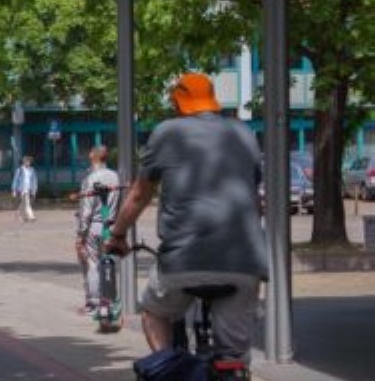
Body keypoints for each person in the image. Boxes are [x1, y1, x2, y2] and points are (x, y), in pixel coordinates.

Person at [104, 72, 268, 360]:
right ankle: (235, 378)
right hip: (244, 261)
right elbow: (255, 200)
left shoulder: (167, 132)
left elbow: (140, 195)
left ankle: (167, 369)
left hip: (184, 259)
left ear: (178, 103)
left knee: (154, 312)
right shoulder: (243, 132)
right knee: (234, 353)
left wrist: (117, 235)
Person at [75, 145, 120, 314]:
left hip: (94, 226)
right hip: (111, 225)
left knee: (92, 263)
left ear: (93, 155)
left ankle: (94, 303)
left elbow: (86, 210)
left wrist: (81, 234)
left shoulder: (91, 178)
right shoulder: (115, 176)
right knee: (109, 264)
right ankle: (110, 301)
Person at [11, 154, 37, 221]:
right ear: (23, 162)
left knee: (27, 203)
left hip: (28, 189)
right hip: (21, 189)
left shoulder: (32, 170)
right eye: (26, 161)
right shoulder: (20, 170)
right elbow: (15, 180)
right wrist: (14, 190)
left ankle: (30, 216)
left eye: (29, 162)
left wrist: (34, 190)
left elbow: (34, 180)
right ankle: (22, 216)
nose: (28, 163)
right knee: (22, 203)